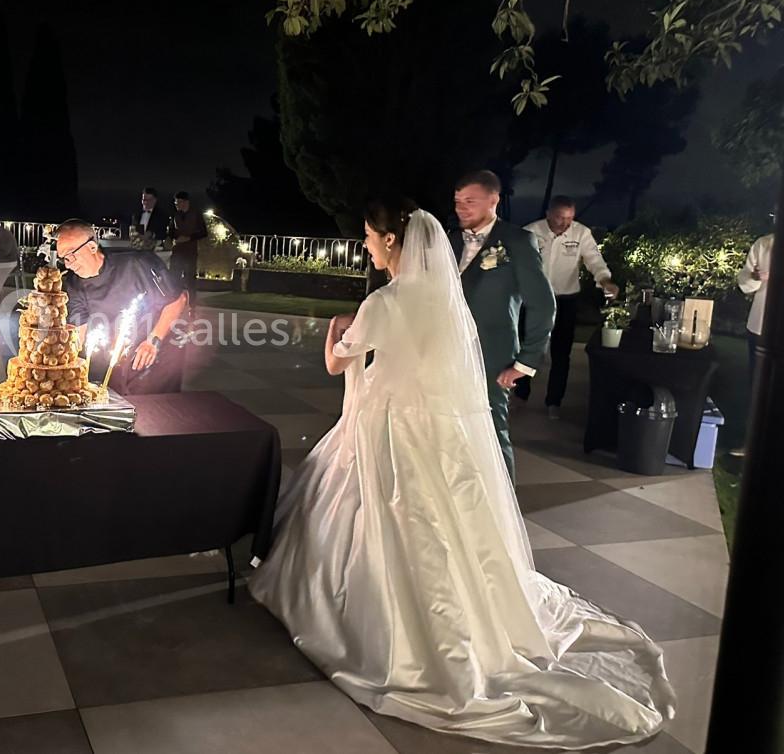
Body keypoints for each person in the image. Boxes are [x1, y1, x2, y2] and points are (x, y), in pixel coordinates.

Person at [249, 198, 675, 749]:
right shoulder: (447, 302)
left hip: (386, 424)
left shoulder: (384, 300)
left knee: (379, 513)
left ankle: (377, 620)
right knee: (446, 520)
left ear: (392, 242)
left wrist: (334, 329)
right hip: (439, 429)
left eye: (369, 238)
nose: (365, 246)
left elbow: (339, 363)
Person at [448, 171, 555, 480]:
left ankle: (503, 508)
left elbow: (543, 304)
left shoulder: (517, 240)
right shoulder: (451, 240)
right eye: (457, 201)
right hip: (447, 350)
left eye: (470, 201)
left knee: (492, 430)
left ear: (493, 200)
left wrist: (525, 362)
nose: (461, 208)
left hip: (493, 353)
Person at [57, 218, 188, 395]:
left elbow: (178, 299)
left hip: (156, 345)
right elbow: (79, 329)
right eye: (63, 257)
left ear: (92, 247)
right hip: (117, 354)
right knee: (114, 398)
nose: (68, 263)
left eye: (72, 253)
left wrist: (153, 341)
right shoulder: (74, 283)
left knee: (151, 408)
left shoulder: (137, 263)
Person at [516, 195, 619, 417]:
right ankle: (520, 394)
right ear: (548, 214)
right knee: (526, 347)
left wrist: (605, 280)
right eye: (560, 217)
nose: (565, 223)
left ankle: (554, 401)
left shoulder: (581, 233)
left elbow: (595, 261)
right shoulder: (530, 232)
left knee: (561, 353)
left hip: (566, 299)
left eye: (570, 218)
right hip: (534, 299)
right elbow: (514, 261)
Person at [733, 217, 775, 457]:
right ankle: (751, 445)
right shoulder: (764, 244)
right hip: (760, 328)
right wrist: (755, 278)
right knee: (757, 389)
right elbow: (744, 283)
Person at [167, 191, 207, 309]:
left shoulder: (196, 214)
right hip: (177, 251)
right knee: (175, 279)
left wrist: (189, 238)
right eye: (175, 202)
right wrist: (171, 238)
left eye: (178, 202)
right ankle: (175, 305)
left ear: (185, 202)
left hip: (190, 251)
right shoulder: (175, 215)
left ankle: (192, 307)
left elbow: (204, 232)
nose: (176, 205)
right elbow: (171, 231)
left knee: (190, 281)